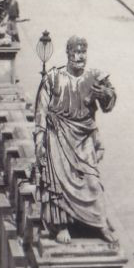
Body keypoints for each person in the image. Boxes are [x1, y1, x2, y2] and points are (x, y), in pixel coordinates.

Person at [33, 37, 119, 243]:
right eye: (76, 52)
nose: (80, 57)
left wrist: (106, 95)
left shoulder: (95, 77)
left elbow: (109, 103)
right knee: (59, 184)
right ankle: (62, 225)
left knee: (92, 181)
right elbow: (41, 111)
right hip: (58, 135)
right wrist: (39, 139)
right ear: (68, 53)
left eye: (83, 52)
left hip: (84, 136)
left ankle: (99, 223)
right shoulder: (54, 78)